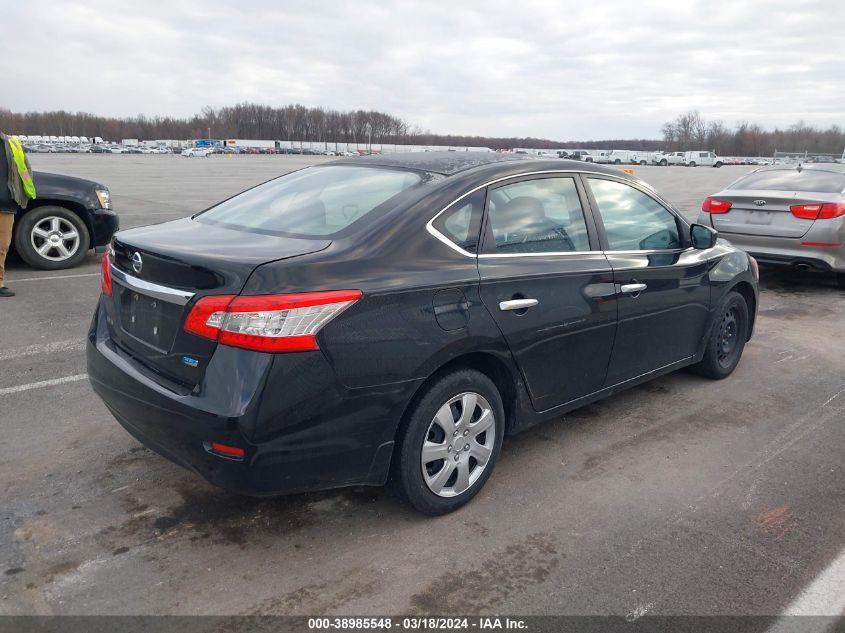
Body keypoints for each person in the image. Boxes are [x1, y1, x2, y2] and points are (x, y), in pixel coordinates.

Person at [0, 133, 37, 297]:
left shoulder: (12, 143)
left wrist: (23, 192)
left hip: (7, 205)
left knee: (2, 246)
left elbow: (25, 169)